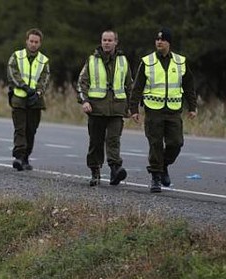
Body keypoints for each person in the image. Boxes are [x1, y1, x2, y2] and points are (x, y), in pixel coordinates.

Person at [130, 27, 197, 193]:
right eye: (157, 39)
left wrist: (192, 106)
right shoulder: (147, 61)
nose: (159, 42)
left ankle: (164, 165)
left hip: (174, 110)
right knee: (155, 144)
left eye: (163, 39)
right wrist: (134, 108)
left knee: (176, 143)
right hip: (154, 110)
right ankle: (156, 178)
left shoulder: (180, 62)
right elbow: (137, 87)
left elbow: (189, 86)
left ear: (169, 43)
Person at [76, 30, 132, 186]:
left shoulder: (123, 61)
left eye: (110, 40)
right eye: (104, 40)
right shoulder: (92, 60)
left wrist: (131, 107)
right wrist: (84, 101)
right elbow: (82, 83)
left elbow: (129, 85)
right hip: (96, 108)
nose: (106, 42)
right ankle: (95, 171)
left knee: (113, 140)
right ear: (101, 41)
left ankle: (115, 169)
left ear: (116, 42)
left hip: (117, 108)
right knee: (96, 142)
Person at [7, 28, 50, 171]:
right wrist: (25, 87)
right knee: (20, 129)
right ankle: (19, 156)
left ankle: (26, 157)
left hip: (35, 101)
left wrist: (37, 93)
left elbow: (45, 79)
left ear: (40, 43)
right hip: (19, 98)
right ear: (26, 41)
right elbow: (13, 74)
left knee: (31, 130)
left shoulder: (44, 60)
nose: (33, 44)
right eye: (31, 41)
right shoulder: (16, 56)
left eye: (36, 42)